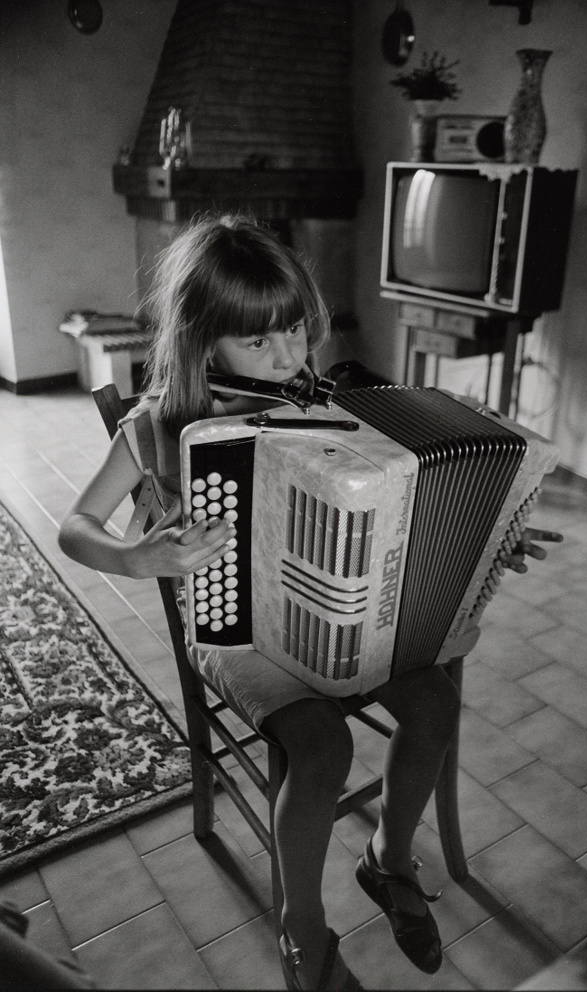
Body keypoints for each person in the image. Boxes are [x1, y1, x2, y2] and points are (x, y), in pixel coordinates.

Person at [59, 215, 560, 991]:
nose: (290, 357)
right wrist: (134, 554)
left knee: (433, 708)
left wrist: (487, 535)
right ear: (202, 341)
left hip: (341, 617)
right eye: (258, 343)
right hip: (235, 631)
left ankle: (386, 860)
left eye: (295, 330)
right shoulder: (157, 424)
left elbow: (408, 506)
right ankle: (303, 928)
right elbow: (75, 527)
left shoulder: (334, 400)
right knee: (322, 746)